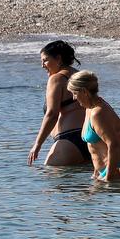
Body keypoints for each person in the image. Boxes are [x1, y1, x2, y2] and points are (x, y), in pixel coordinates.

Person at [66, 70, 120, 181]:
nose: (73, 98)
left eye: (75, 93)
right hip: (106, 170)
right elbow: (94, 148)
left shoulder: (98, 113)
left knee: (85, 197)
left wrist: (108, 178)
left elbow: (113, 145)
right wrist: (96, 173)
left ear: (84, 91)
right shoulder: (89, 109)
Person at [27, 40, 90, 168]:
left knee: (50, 179)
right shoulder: (81, 77)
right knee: (83, 186)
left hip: (69, 140)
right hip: (90, 138)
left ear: (58, 59)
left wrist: (37, 144)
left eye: (45, 60)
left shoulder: (56, 79)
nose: (42, 65)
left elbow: (52, 114)